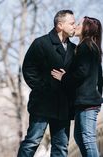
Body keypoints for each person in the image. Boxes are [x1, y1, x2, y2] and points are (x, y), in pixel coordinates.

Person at [17, 10, 76, 157]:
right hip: (42, 103)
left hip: (64, 106)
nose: (75, 26)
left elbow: (77, 76)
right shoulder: (40, 43)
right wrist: (43, 88)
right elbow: (28, 69)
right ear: (60, 25)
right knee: (32, 142)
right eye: (72, 23)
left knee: (61, 146)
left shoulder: (74, 49)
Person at [51, 16, 103, 157]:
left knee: (87, 139)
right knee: (80, 138)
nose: (75, 26)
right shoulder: (89, 47)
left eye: (79, 24)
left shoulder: (87, 46)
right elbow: (99, 77)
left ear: (87, 28)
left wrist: (64, 77)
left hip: (87, 102)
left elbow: (82, 72)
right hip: (84, 102)